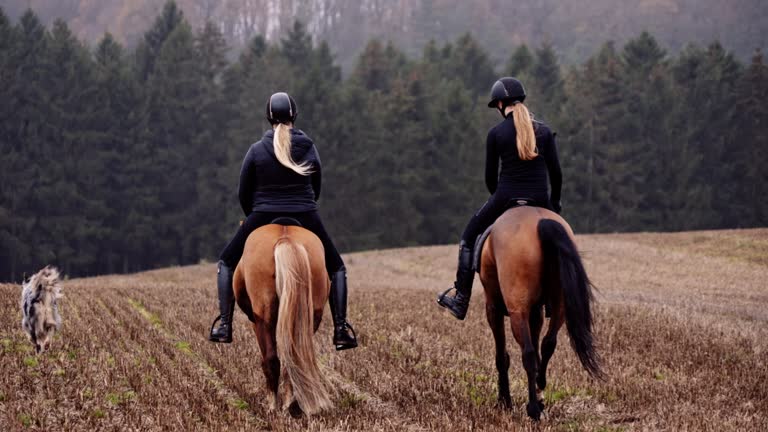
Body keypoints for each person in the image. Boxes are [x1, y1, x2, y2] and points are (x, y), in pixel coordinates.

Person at [209, 92, 358, 350]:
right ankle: (341, 329)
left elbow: (243, 192)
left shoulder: (256, 150)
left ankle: (224, 324)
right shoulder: (309, 147)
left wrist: (254, 216)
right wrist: (305, 208)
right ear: (294, 116)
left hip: (262, 213)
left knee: (226, 262)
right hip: (305, 213)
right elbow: (317, 186)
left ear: (268, 118)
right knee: (337, 268)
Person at [437, 77, 563, 320]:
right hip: (540, 198)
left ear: (501, 104)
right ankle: (553, 297)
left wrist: (499, 201)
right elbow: (556, 174)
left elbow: (489, 178)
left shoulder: (496, 133)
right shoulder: (545, 132)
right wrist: (554, 204)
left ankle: (461, 298)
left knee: (468, 236)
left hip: (505, 197)